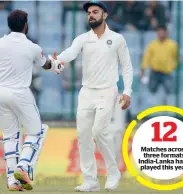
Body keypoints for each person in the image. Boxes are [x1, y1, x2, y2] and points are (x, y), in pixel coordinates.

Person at [0, 10, 64, 191]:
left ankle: (12, 181)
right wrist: (57, 64)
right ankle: (23, 165)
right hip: (21, 93)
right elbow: (46, 65)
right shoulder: (32, 47)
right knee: (37, 132)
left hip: (2, 94)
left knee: (10, 137)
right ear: (25, 25)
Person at [52, 1, 133, 192]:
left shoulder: (117, 39)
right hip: (87, 91)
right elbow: (70, 54)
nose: (91, 15)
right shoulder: (82, 39)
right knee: (83, 135)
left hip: (107, 90)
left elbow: (127, 66)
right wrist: (55, 61)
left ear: (105, 15)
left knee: (98, 131)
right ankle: (90, 180)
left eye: (95, 12)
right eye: (89, 12)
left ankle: (113, 172)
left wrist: (127, 91)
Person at [141, 25, 178, 104]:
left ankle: (167, 107)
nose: (161, 34)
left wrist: (174, 66)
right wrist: (143, 69)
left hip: (167, 72)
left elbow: (176, 58)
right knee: (152, 90)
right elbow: (146, 58)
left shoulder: (173, 45)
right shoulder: (152, 45)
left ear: (166, 33)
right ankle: (151, 108)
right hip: (155, 71)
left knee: (170, 91)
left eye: (163, 32)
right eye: (159, 32)